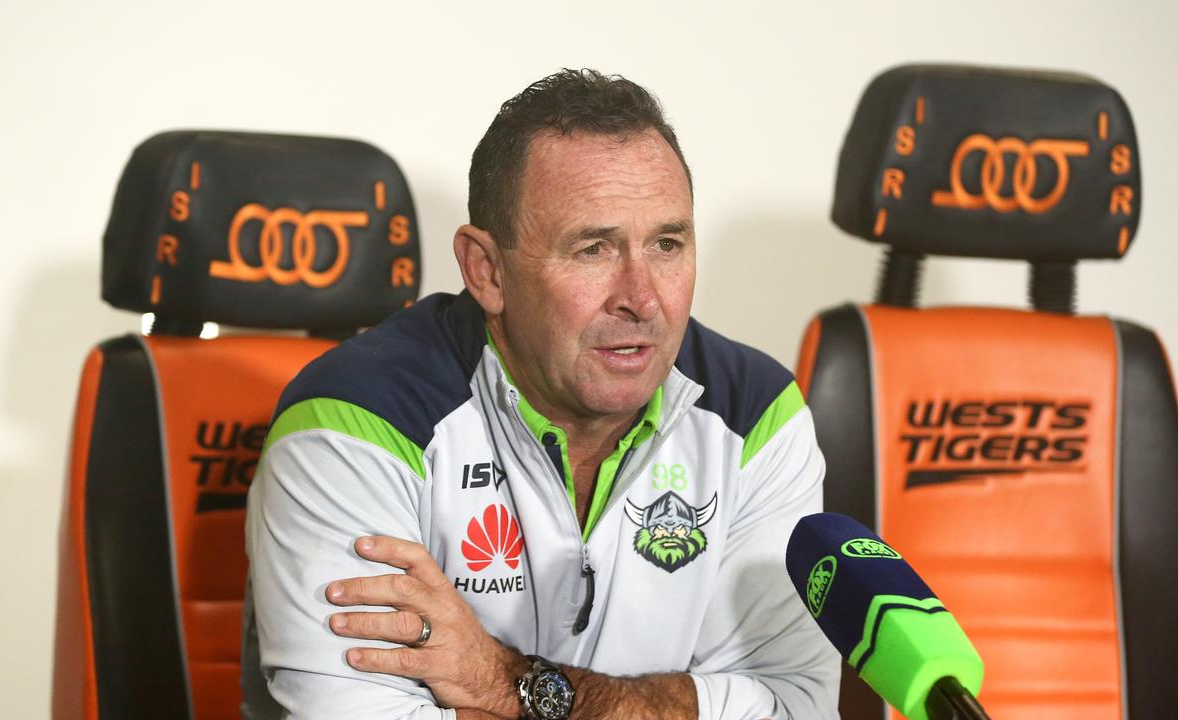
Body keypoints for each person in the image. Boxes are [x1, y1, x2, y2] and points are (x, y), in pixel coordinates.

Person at [242, 69, 839, 719]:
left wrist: (503, 682)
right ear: (487, 271)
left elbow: (795, 706)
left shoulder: (757, 415)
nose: (642, 298)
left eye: (667, 244)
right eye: (593, 249)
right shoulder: (355, 420)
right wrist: (682, 704)